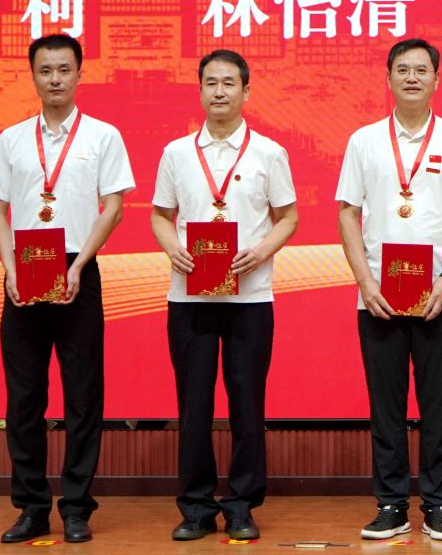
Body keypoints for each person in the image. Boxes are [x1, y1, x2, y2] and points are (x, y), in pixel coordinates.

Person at [0, 34, 135, 545]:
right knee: (24, 398)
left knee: (83, 396)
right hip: (24, 269)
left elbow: (114, 206)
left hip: (76, 269)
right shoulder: (12, 139)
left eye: (64, 70)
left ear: (80, 74)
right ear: (33, 77)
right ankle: (31, 507)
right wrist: (9, 268)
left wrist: (81, 263)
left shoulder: (103, 136)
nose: (55, 79)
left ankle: (77, 508)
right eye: (45, 71)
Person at [336, 38, 442, 542]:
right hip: (378, 296)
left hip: (440, 297)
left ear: (437, 80)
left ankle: (438, 505)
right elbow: (347, 213)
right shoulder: (364, 141)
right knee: (386, 407)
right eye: (402, 70)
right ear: (387, 79)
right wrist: (364, 281)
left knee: (438, 406)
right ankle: (390, 505)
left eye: (421, 70)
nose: (411, 78)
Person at [149, 49, 298, 541]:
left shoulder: (269, 153)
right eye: (210, 82)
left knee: (246, 404)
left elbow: (289, 218)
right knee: (193, 406)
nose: (219, 91)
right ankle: (195, 506)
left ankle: (241, 505)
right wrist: (173, 249)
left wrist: (260, 252)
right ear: (199, 91)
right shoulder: (176, 153)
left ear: (246, 91)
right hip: (189, 298)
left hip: (249, 298)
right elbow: (160, 216)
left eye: (229, 83)